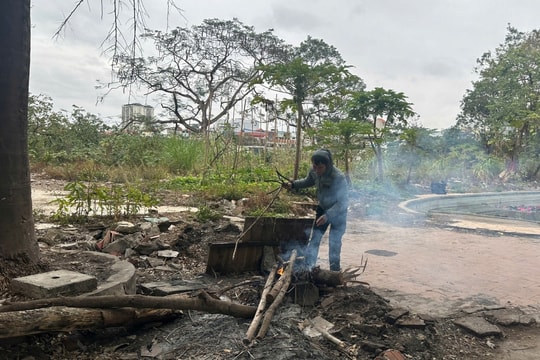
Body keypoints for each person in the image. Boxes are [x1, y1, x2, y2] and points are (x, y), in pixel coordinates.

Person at [284, 149, 349, 271]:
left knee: (334, 242)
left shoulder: (338, 177)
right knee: (315, 239)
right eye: (315, 167)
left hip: (338, 213)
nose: (317, 170)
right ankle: (309, 267)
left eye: (320, 168)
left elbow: (343, 202)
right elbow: (307, 181)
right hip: (322, 209)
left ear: (328, 165)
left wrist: (328, 216)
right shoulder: (314, 171)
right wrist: (292, 185)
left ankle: (334, 272)